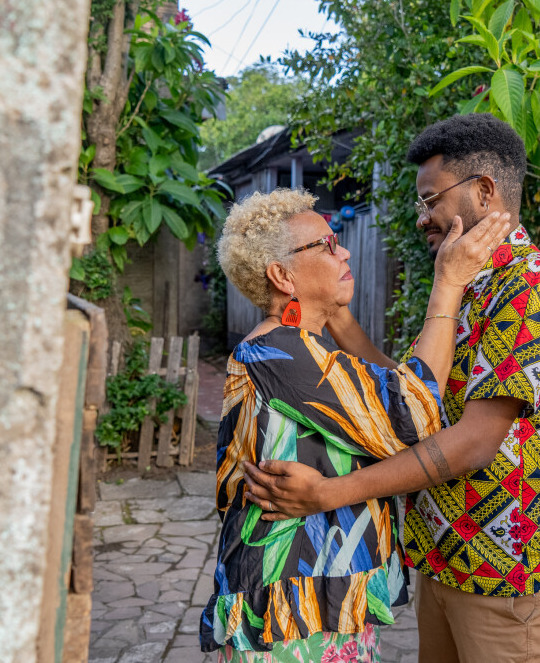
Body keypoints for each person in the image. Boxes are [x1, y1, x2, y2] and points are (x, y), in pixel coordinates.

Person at [243, 114, 540, 663]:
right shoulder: (469, 280)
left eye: (431, 200)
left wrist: (331, 494)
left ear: (484, 191)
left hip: (503, 569)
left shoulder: (530, 290)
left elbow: (474, 442)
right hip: (450, 554)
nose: (422, 216)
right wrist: (339, 318)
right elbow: (412, 399)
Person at [200, 186, 511, 661]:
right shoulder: (278, 352)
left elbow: (386, 387)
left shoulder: (305, 348)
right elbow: (410, 412)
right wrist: (448, 283)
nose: (342, 250)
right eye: (325, 245)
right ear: (282, 275)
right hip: (292, 618)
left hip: (323, 604)